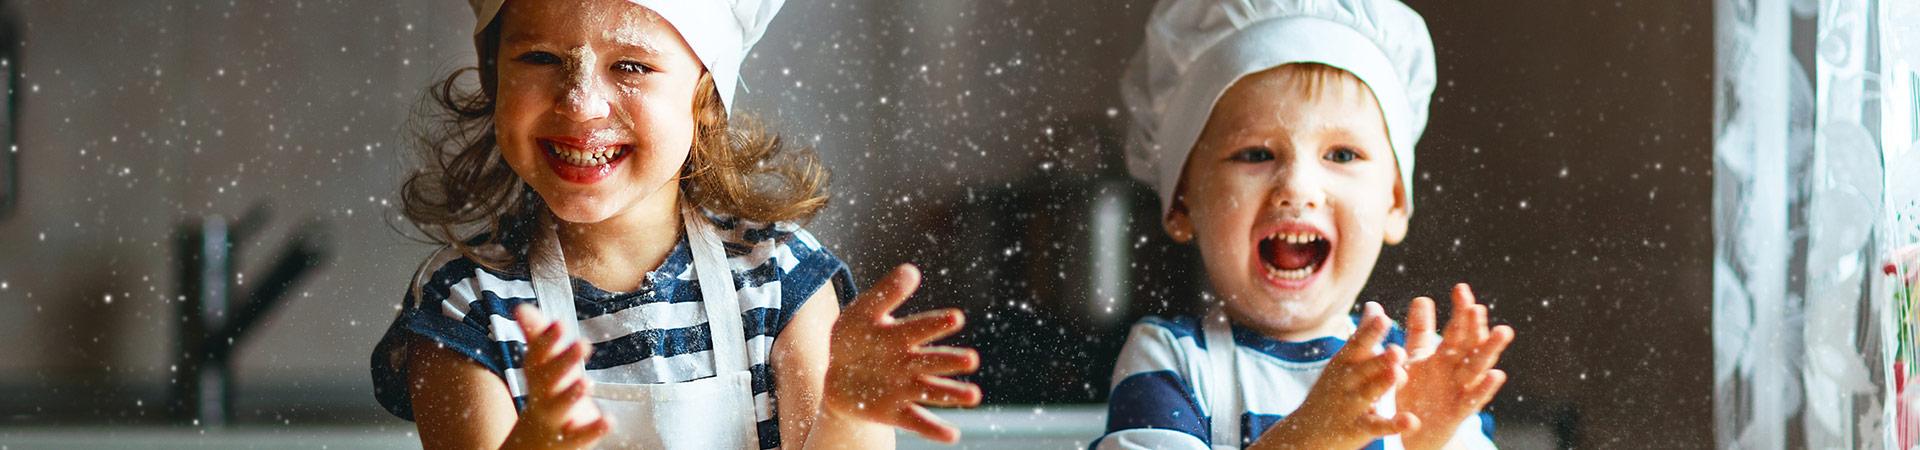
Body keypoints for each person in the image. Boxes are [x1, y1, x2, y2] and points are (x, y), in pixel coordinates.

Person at [370, 1, 981, 448]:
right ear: (495, 79)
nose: (580, 102)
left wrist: (848, 414)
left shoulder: (777, 278)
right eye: (540, 57)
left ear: (705, 99)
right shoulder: (466, 305)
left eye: (632, 66)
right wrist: (538, 440)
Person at [1095, 0, 1515, 448]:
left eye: (1342, 154)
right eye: (1255, 154)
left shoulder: (1418, 370)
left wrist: (1427, 438)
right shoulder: (1173, 360)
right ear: (1182, 203)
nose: (1296, 187)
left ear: (1395, 201)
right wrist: (1312, 436)